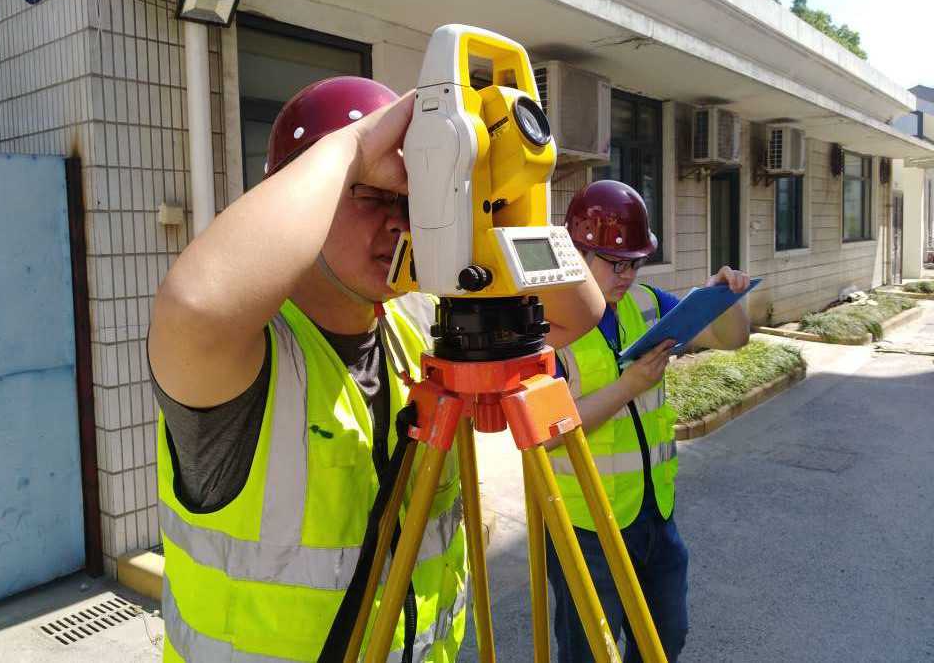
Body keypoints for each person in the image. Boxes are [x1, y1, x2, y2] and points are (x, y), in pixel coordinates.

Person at [147, 75, 605, 662]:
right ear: (305, 195)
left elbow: (580, 311)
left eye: (411, 201)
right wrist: (356, 147)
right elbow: (195, 304)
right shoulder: (243, 358)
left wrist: (494, 187)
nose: (400, 223)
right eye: (371, 195)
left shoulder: (420, 323)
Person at [544, 179, 751, 663]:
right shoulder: (548, 323)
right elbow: (549, 434)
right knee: (589, 652)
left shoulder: (648, 304)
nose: (627, 275)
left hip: (655, 513)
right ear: (577, 253)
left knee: (665, 639)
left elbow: (731, 339)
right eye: (614, 262)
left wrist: (725, 297)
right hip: (586, 526)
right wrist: (628, 386)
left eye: (635, 262)